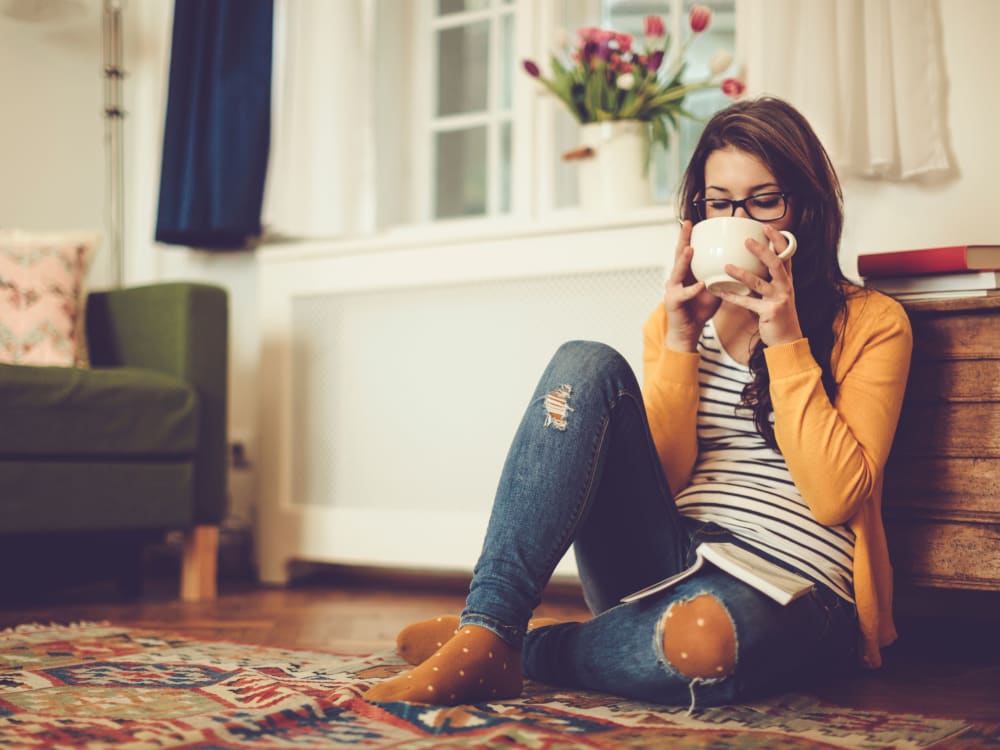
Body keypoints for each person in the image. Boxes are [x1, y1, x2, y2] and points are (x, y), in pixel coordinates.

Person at [363, 96, 913, 710]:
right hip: (664, 559)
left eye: (764, 200)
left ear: (804, 208)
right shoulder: (677, 325)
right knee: (583, 362)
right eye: (720, 202)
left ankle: (522, 648)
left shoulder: (872, 322)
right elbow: (667, 475)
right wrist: (681, 341)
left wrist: (784, 338)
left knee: (701, 645)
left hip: (793, 587)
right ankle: (489, 623)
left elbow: (837, 496)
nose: (743, 220)